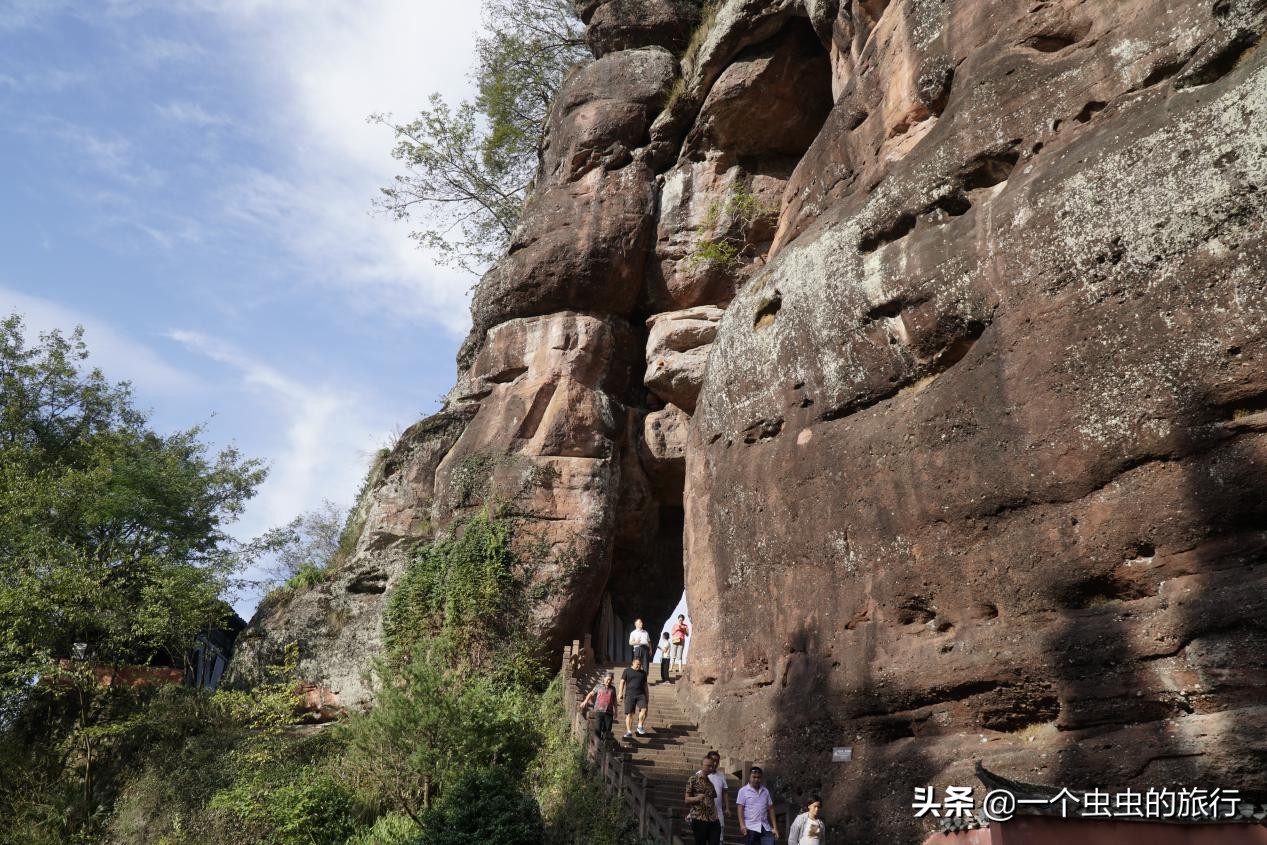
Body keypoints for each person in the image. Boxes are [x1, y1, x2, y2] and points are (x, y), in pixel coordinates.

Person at [737, 766, 779, 845]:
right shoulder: (743, 791)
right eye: (754, 777)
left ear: (761, 778)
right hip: (750, 827)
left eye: (758, 777)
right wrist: (742, 825)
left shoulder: (765, 791)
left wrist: (775, 828)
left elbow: (771, 809)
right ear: (749, 777)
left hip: (765, 826)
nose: (756, 779)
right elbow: (740, 809)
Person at [685, 753, 721, 845]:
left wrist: (717, 817)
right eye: (708, 766)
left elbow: (713, 802)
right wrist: (697, 798)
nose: (711, 768)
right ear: (702, 765)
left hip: (713, 820)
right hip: (699, 818)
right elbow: (686, 799)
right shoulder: (693, 779)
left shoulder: (710, 784)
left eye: (712, 766)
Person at [580, 670, 617, 740]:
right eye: (608, 679)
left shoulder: (613, 689)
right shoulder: (598, 686)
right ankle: (598, 746)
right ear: (604, 678)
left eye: (610, 680)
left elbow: (614, 700)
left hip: (609, 712)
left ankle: (604, 746)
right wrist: (585, 701)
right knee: (598, 729)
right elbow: (591, 694)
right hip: (599, 711)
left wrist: (616, 711)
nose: (609, 681)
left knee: (607, 731)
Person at [618, 656, 650, 738]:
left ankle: (640, 726)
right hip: (630, 694)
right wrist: (620, 693)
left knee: (644, 709)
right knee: (629, 714)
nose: (639, 666)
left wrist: (647, 696)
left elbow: (645, 685)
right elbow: (622, 682)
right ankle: (628, 731)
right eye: (637, 664)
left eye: (640, 664)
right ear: (633, 663)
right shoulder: (627, 671)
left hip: (641, 694)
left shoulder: (643, 673)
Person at [705, 750, 731, 837]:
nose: (715, 763)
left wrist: (727, 808)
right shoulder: (700, 774)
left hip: (718, 812)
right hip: (704, 811)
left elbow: (725, 792)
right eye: (713, 760)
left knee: (719, 838)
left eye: (717, 761)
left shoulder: (721, 775)